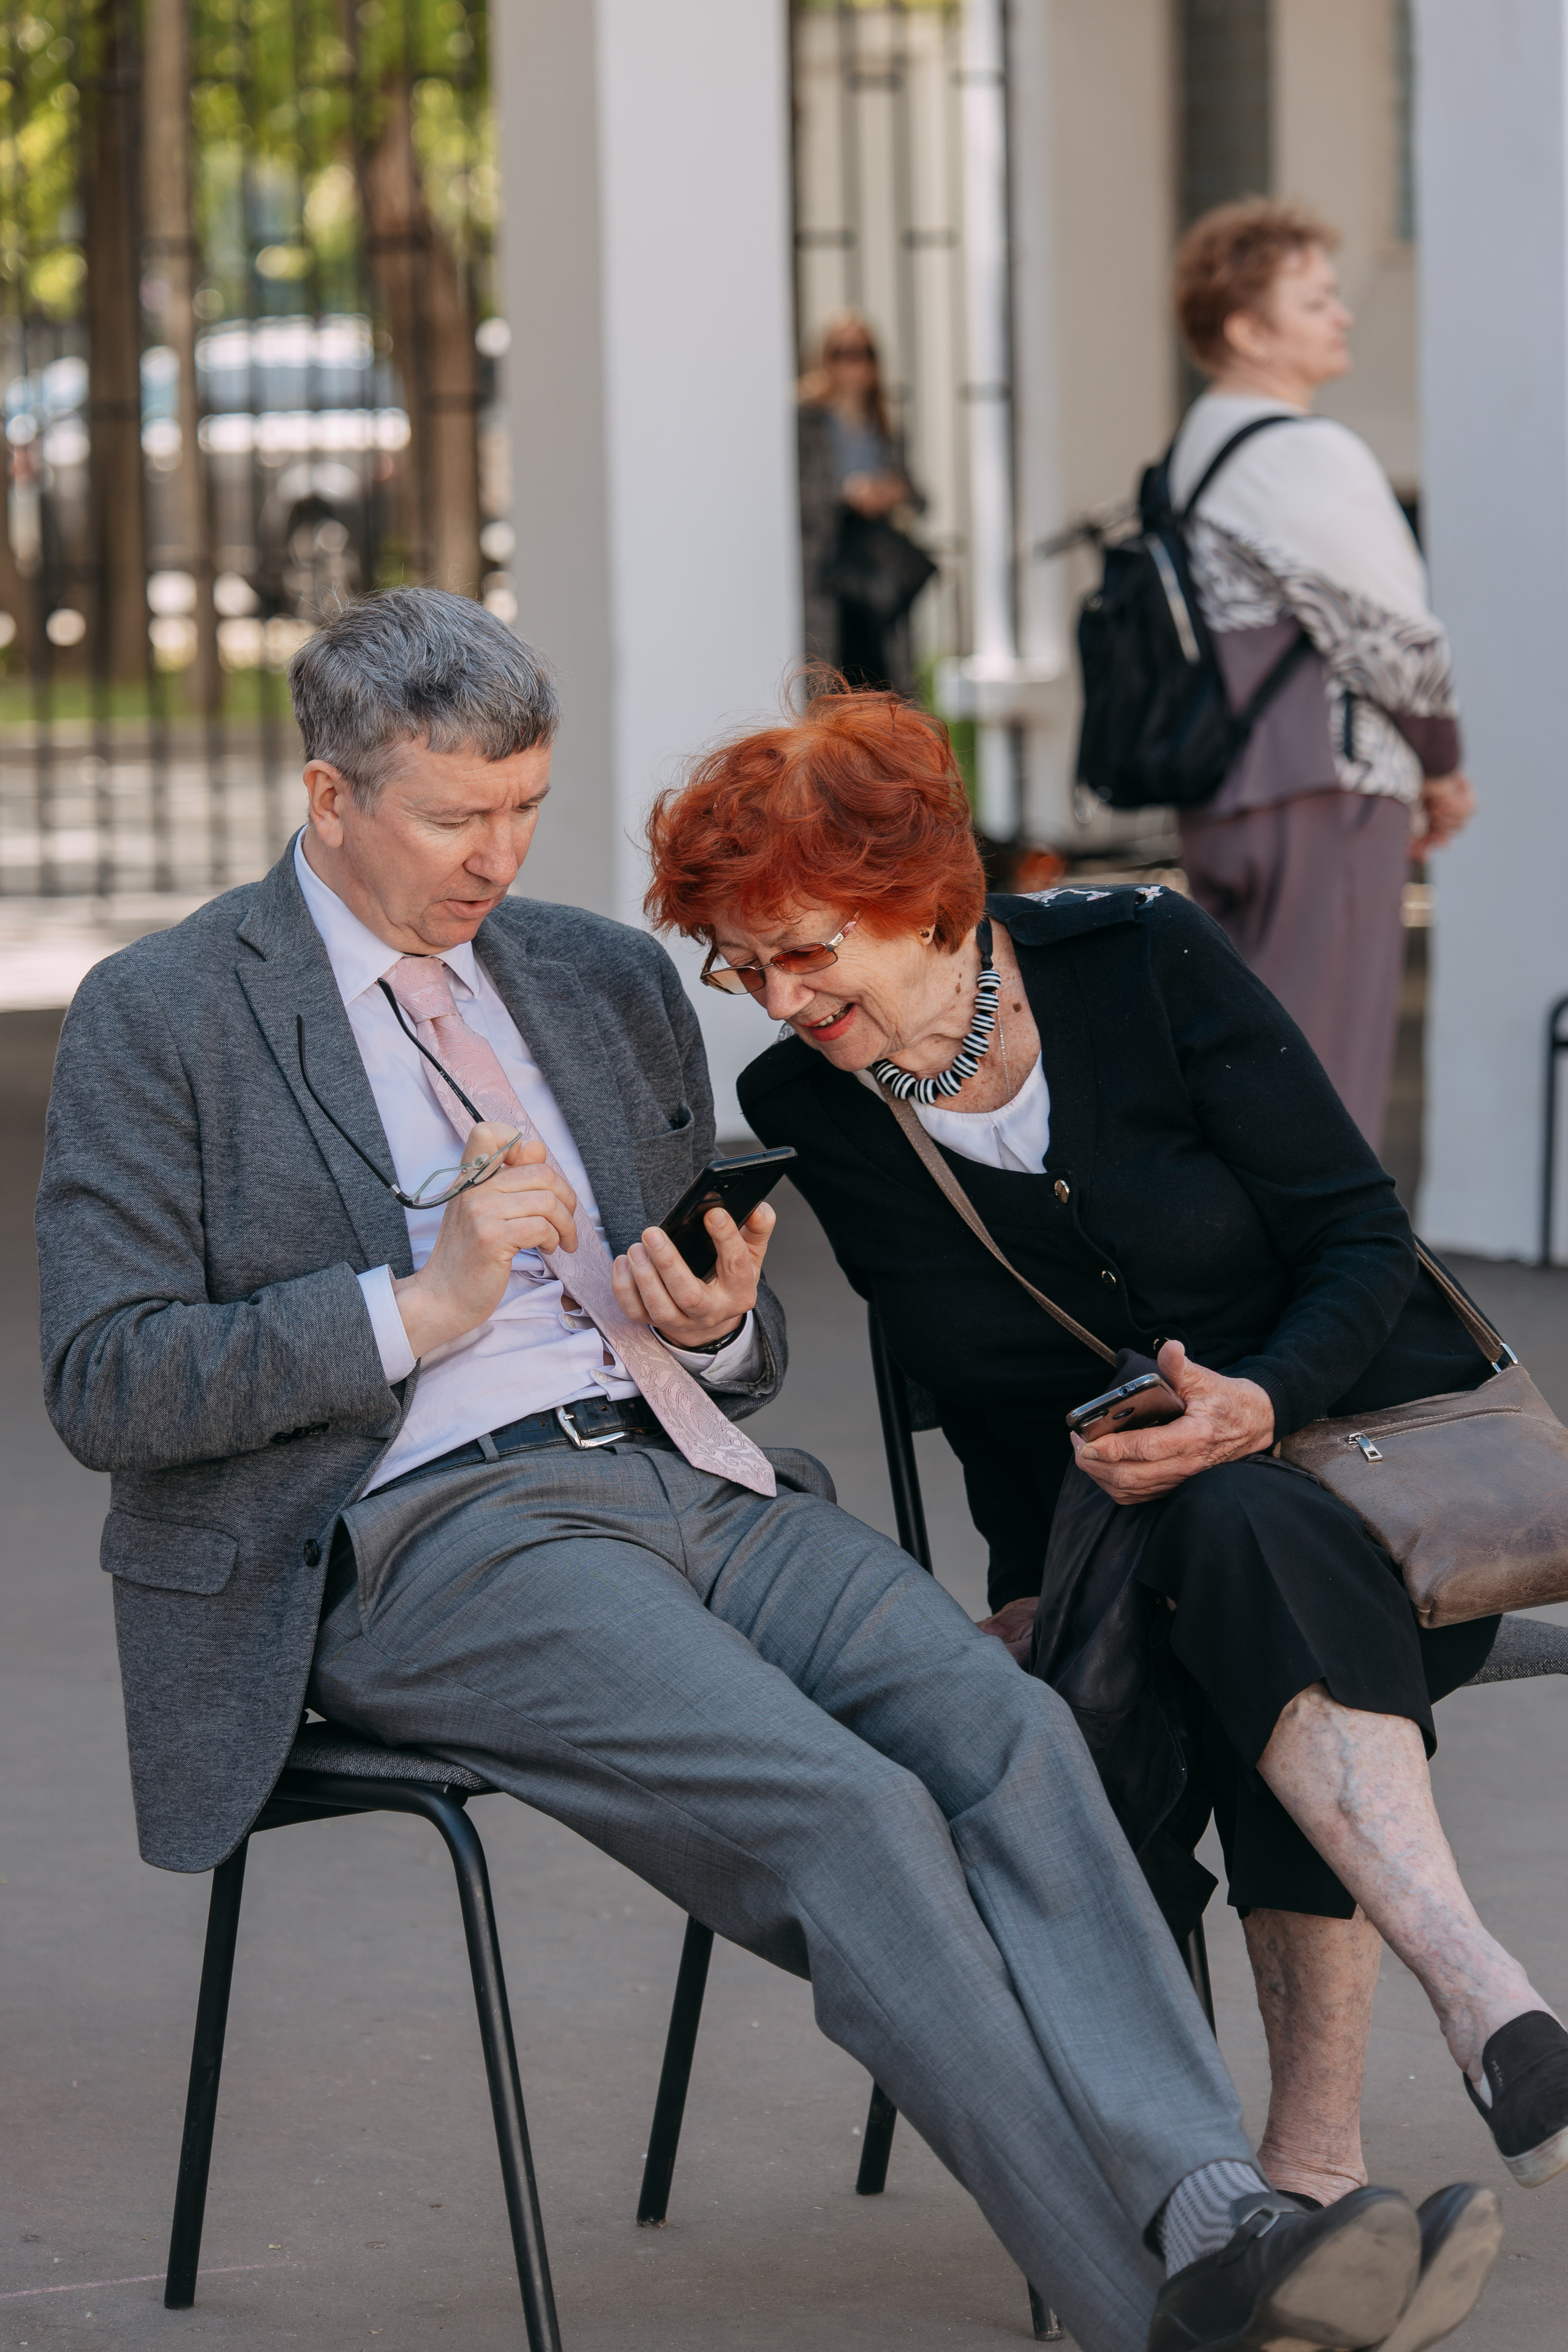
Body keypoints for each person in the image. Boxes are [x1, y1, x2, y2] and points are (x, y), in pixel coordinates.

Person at [39, 589, 1474, 2352]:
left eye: (524, 809)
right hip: (423, 1537)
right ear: (329, 796)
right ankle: (1173, 2315)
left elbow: (722, 1317)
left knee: (1010, 1740)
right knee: (850, 1814)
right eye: (452, 817)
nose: (498, 856)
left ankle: (1221, 2219)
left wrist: (717, 1326)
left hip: (696, 1475)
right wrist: (416, 1305)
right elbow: (105, 1383)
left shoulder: (595, 976)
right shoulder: (163, 1012)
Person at [644, 682, 1568, 2280]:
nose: (781, 1000)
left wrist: (1259, 1397)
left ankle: (1311, 2164)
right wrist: (1021, 1587)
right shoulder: (816, 1109)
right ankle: (1476, 2010)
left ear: (918, 898)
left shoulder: (1145, 960)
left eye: (809, 949)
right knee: (1220, 1535)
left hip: (1370, 1449)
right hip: (1152, 1534)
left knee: (1241, 1521)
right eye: (741, 961)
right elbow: (993, 1401)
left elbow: (1357, 1237)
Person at [1167, 200, 1474, 1149]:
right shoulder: (1305, 451)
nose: (1342, 315)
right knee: (1323, 1092)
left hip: (1223, 794)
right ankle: (1333, 1296)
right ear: (1248, 330)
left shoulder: (1194, 452)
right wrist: (1443, 767)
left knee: (1248, 1071)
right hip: (1322, 793)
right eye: (1316, 301)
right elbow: (1396, 638)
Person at [797, 309, 925, 695]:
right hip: (829, 570)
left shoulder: (884, 422)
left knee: (881, 686)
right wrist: (846, 493)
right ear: (823, 358)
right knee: (831, 683)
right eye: (842, 352)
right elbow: (794, 494)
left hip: (874, 574)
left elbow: (921, 498)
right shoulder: (806, 420)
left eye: (864, 352)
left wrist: (894, 491)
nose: (854, 363)